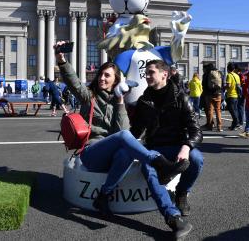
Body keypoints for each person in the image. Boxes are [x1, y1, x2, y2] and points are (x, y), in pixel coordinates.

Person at [55, 42, 189, 220]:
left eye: (107, 75)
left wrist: (119, 101)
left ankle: (103, 196)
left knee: (125, 150)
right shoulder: (89, 95)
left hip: (111, 157)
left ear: (116, 80)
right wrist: (61, 60)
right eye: (101, 74)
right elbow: (73, 82)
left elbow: (123, 131)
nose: (102, 78)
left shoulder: (119, 100)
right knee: (125, 139)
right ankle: (157, 162)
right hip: (91, 154)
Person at [130, 59, 203, 239]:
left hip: (178, 145)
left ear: (165, 74)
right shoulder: (143, 101)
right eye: (145, 73)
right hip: (155, 148)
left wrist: (186, 146)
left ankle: (182, 193)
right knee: (148, 167)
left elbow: (196, 130)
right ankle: (173, 217)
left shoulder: (181, 98)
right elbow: (135, 131)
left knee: (197, 158)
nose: (146, 76)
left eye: (151, 72)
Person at [201, 63, 223, 132]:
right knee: (218, 110)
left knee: (210, 110)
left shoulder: (207, 74)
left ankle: (210, 126)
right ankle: (219, 126)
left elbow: (203, 84)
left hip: (209, 94)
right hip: (218, 93)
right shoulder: (219, 72)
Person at [225, 62, 242, 131]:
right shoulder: (237, 75)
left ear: (227, 69)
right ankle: (234, 124)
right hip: (236, 95)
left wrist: (224, 87)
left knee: (232, 110)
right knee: (235, 110)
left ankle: (236, 122)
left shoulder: (229, 75)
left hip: (231, 95)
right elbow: (239, 85)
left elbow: (228, 86)